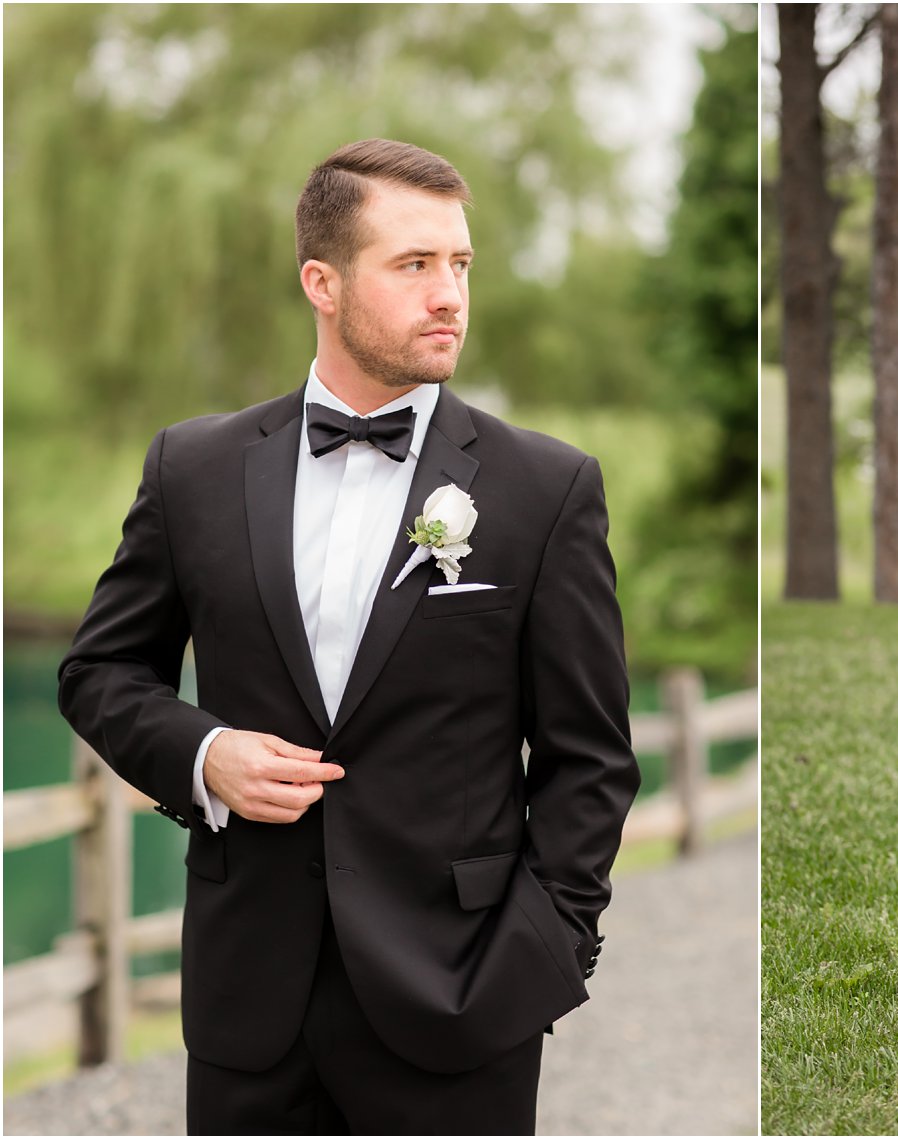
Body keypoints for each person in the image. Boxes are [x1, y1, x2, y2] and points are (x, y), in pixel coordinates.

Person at [57, 138, 640, 1134]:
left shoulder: (544, 488)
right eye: (413, 265)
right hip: (249, 1001)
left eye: (459, 264)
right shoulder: (192, 467)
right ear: (321, 283)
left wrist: (543, 953)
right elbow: (101, 670)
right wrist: (204, 752)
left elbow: (589, 757)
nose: (448, 293)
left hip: (460, 1002)